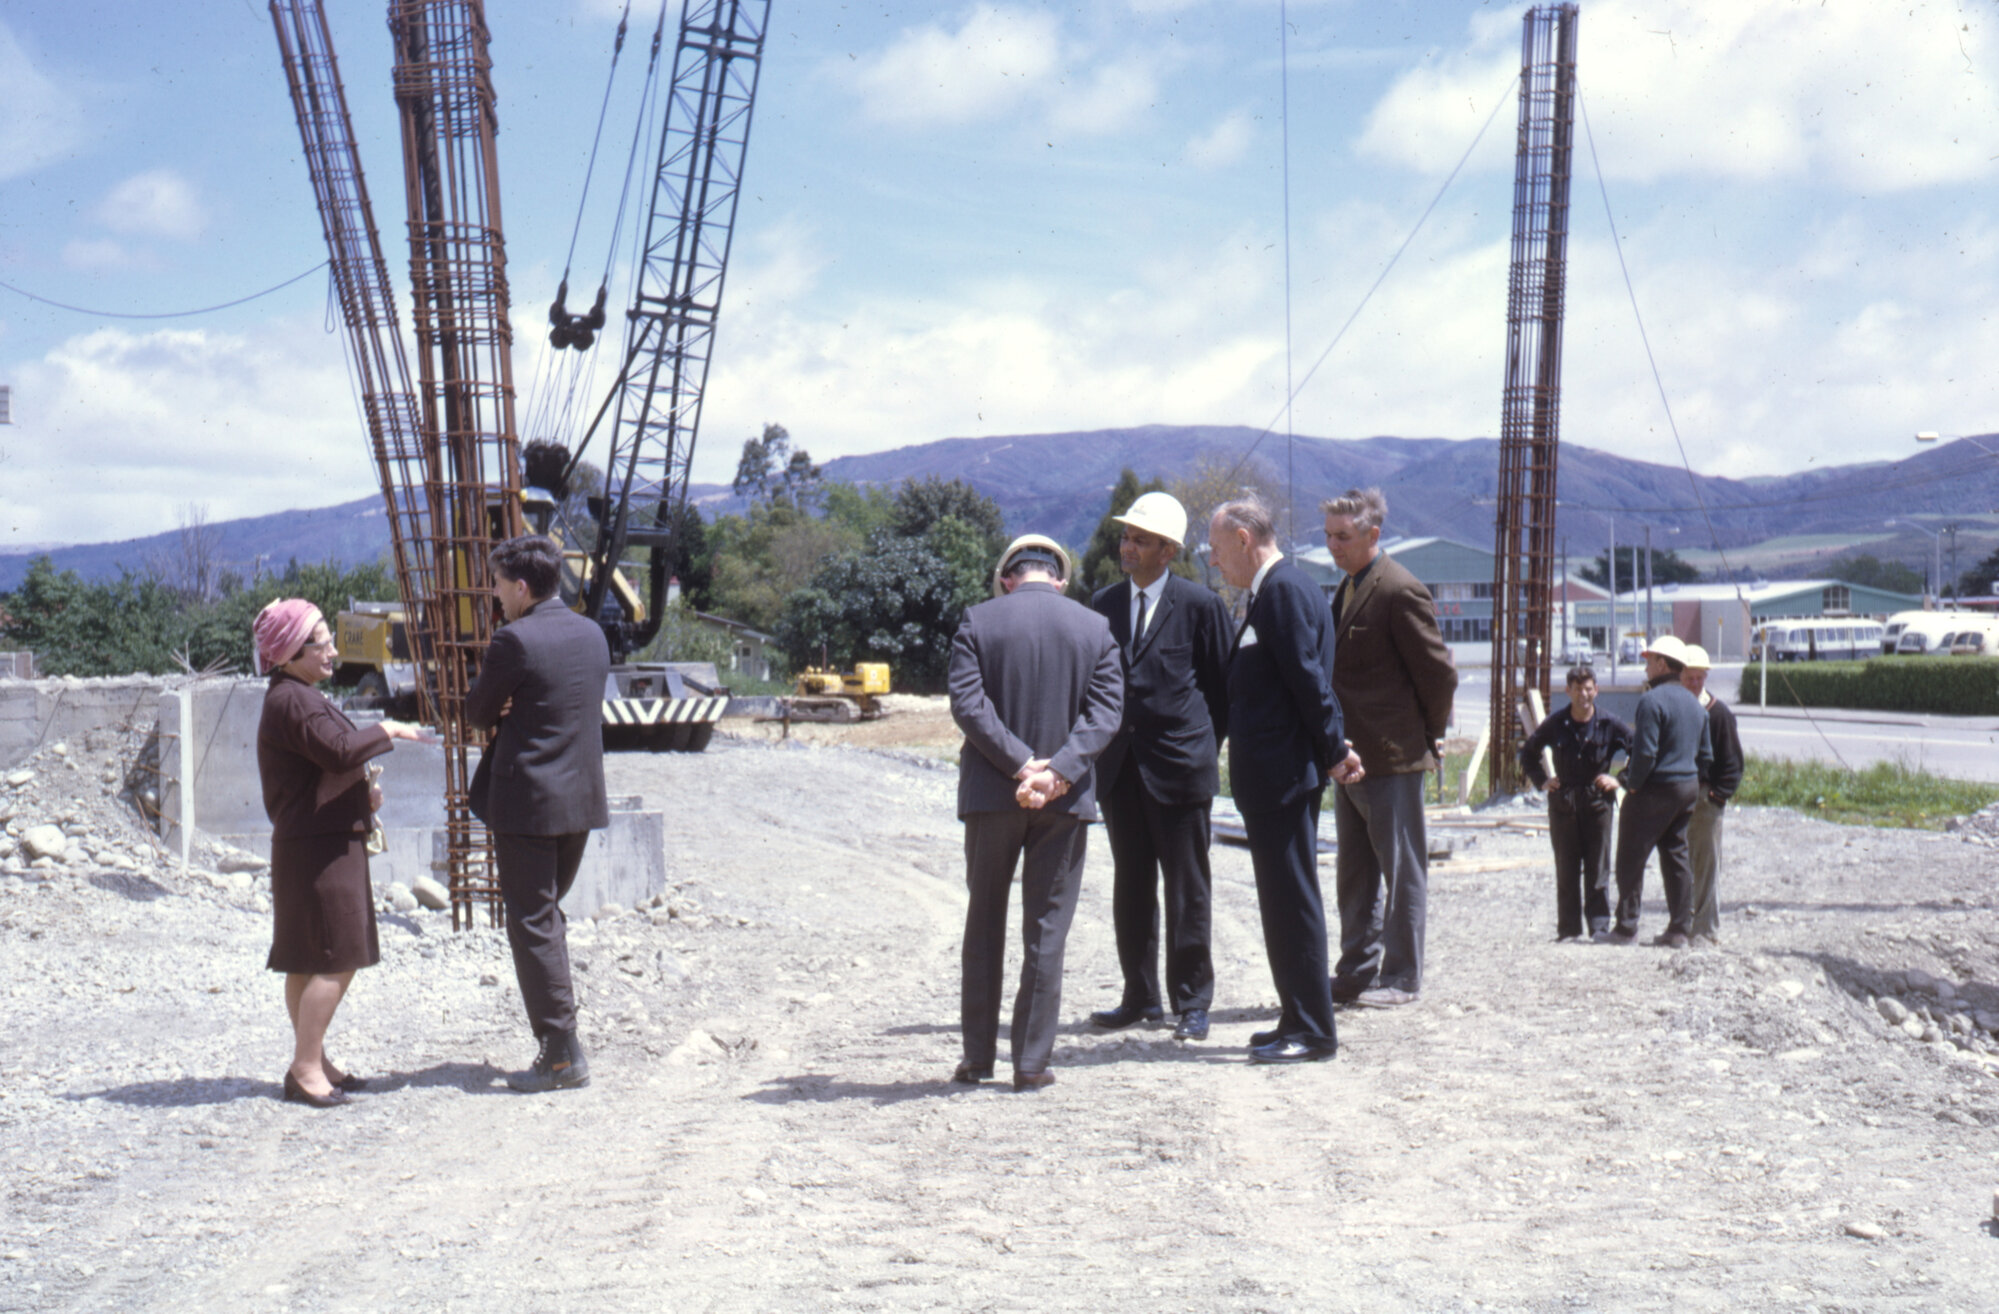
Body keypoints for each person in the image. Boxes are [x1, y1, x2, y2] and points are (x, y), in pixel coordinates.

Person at [948, 534, 1123, 1091]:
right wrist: (1056, 772)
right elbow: (1106, 714)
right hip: (1065, 800)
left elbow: (969, 708)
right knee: (1047, 929)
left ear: (1007, 577)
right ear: (1060, 580)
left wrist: (1023, 766)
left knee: (984, 924)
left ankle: (977, 1059)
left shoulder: (977, 622)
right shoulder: (1095, 630)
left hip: (991, 796)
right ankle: (1030, 1062)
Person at [254, 598, 424, 1108]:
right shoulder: (294, 701)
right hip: (319, 850)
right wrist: (389, 729)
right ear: (289, 652)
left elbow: (319, 769)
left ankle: (314, 1059)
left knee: (307, 958)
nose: (331, 648)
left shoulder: (295, 696)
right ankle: (306, 1067)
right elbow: (339, 751)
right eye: (320, 640)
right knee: (338, 956)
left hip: (313, 842)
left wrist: (358, 796)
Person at [1208, 499, 1360, 1063]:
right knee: (1279, 901)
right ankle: (1294, 1014)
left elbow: (1310, 682)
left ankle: (1315, 1031)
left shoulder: (1284, 592)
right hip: (1269, 779)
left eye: (1218, 551)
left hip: (1283, 777)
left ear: (1244, 539)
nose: (1216, 564)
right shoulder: (1270, 593)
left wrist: (1335, 750)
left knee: (1293, 902)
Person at [465, 534, 612, 1093]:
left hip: (527, 803)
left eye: (499, 586)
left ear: (521, 587)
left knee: (532, 922)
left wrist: (502, 704)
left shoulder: (514, 640)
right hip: (580, 801)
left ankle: (560, 1052)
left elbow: (479, 713)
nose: (495, 596)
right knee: (546, 916)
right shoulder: (592, 633)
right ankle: (561, 1040)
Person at [1086, 492, 1232, 1043]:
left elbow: (1222, 693)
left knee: (1188, 889)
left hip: (1181, 771)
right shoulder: (1103, 605)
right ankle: (1140, 995)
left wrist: (1196, 748)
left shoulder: (1200, 606)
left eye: (1140, 539)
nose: (1127, 546)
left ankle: (1192, 1002)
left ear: (1167, 551)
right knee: (1131, 885)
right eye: (1126, 536)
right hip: (1121, 771)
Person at [1322, 488, 1457, 1008]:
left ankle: (1401, 976)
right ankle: (1356, 970)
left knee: (1401, 872)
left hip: (1392, 757)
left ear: (1372, 535)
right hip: (1352, 758)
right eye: (1329, 535)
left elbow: (1437, 673)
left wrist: (1428, 734)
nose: (1333, 545)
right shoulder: (1351, 586)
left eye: (1343, 536)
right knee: (1355, 874)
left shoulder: (1399, 590)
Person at [1606, 635, 1712, 948]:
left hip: (1656, 788)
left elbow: (1645, 754)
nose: (1646, 666)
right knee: (1676, 855)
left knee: (1630, 856)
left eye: (1649, 660)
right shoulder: (1695, 704)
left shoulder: (1651, 701)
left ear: (1662, 663)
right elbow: (1706, 755)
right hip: (1687, 787)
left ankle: (1626, 928)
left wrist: (1631, 784)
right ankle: (1679, 929)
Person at [1519, 665, 1632, 941]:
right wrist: (1543, 781)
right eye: (1578, 689)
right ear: (1568, 691)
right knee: (1566, 869)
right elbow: (1528, 753)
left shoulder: (1609, 723)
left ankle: (1599, 928)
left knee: (1598, 869)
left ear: (1596, 690)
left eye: (1589, 688)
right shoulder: (1557, 723)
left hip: (1597, 803)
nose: (1584, 695)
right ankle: (1568, 930)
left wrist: (1620, 779)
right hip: (1564, 804)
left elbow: (1640, 750)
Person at [1679, 644, 1743, 946]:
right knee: (1680, 863)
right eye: (1688, 678)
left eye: (1698, 678)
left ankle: (1705, 930)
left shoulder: (1718, 714)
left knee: (1706, 865)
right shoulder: (1676, 709)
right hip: (1676, 796)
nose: (1694, 684)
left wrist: (1717, 796)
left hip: (1705, 798)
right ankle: (1682, 925)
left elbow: (1732, 762)